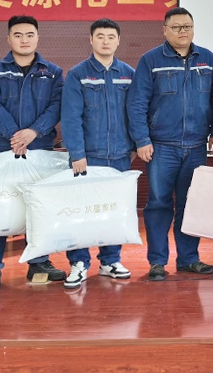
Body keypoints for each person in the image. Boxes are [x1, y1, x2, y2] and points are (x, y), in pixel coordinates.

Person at [128, 7, 213, 281]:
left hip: (196, 146)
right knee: (158, 204)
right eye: (177, 27)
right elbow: (137, 102)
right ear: (165, 30)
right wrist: (142, 139)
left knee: (191, 205)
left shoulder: (207, 59)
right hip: (162, 147)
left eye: (187, 27)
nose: (183, 32)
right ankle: (157, 262)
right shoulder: (151, 60)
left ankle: (189, 259)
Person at [0, 15, 65, 293]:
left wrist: (34, 132)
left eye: (29, 34)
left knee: (38, 208)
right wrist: (15, 135)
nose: (24, 40)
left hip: (40, 148)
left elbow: (56, 106)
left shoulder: (53, 72)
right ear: (9, 39)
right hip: (2, 149)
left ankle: (39, 262)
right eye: (18, 35)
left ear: (38, 37)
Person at [59, 18, 137, 289]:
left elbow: (135, 113)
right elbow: (71, 117)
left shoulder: (128, 74)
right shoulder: (78, 74)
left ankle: (110, 260)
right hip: (88, 156)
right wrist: (77, 153)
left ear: (118, 41)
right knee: (81, 211)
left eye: (111, 36)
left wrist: (134, 146)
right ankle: (79, 262)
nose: (105, 41)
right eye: (100, 36)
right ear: (91, 40)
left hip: (120, 156)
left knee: (114, 210)